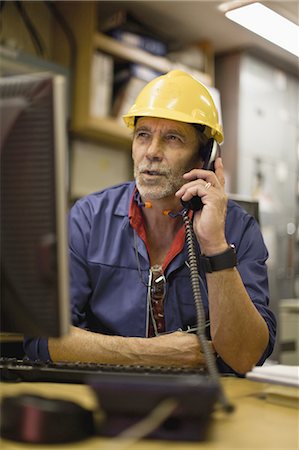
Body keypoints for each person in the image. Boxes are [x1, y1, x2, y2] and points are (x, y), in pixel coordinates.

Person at [24, 70, 276, 374]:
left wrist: (215, 246)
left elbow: (247, 356)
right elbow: (41, 338)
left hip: (204, 405)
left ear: (204, 158)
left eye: (172, 138)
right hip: (106, 397)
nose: (152, 152)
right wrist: (150, 354)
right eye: (143, 135)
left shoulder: (239, 229)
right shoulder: (88, 219)